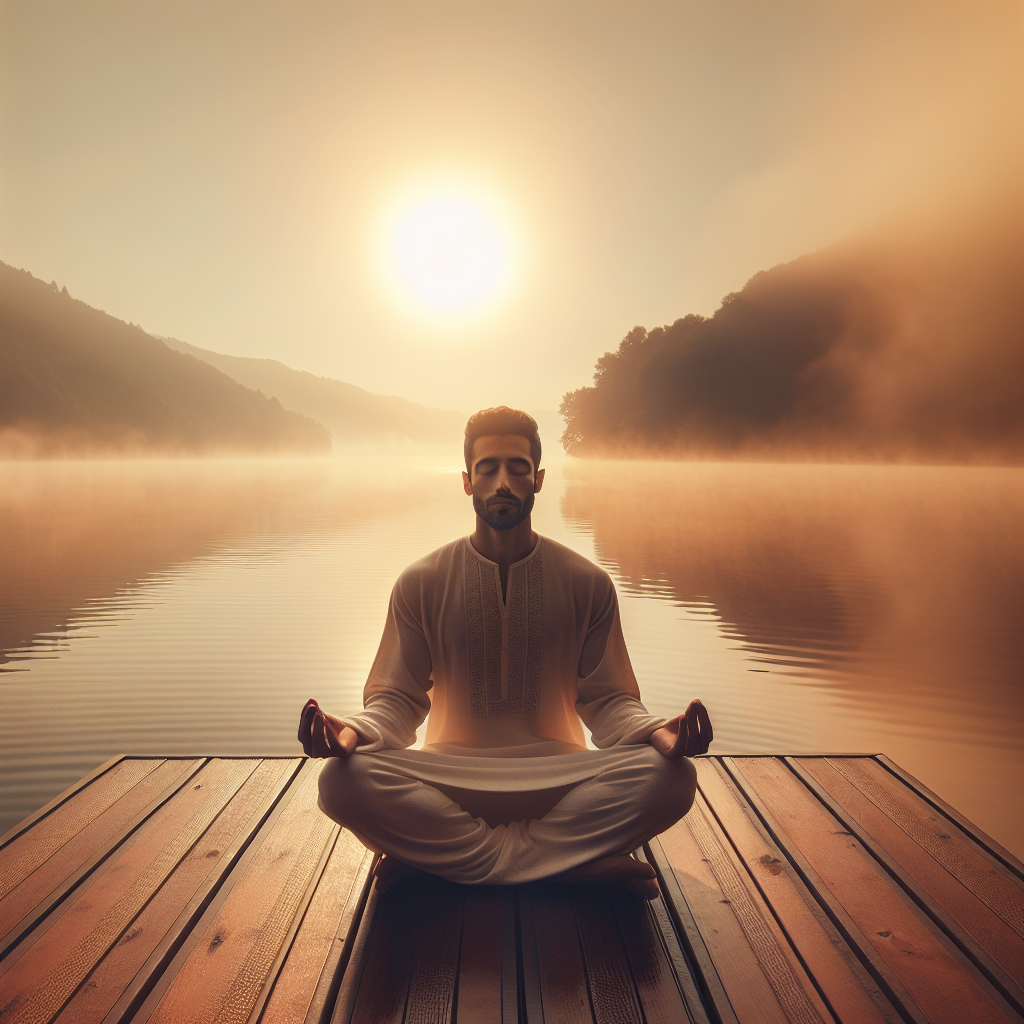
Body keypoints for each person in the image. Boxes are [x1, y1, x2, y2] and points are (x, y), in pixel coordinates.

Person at [299, 407, 712, 898]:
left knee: (672, 777)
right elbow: (397, 700)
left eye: (517, 468)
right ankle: (565, 867)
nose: (502, 483)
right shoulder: (419, 582)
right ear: (466, 481)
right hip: (450, 779)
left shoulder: (588, 583)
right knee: (340, 781)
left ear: (538, 479)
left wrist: (658, 732)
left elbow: (608, 701)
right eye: (487, 468)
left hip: (559, 779)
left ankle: (445, 866)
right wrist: (351, 732)